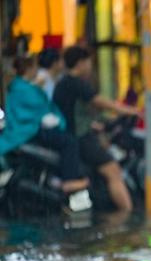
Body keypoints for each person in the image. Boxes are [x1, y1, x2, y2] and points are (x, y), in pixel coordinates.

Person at [53, 45, 138, 211]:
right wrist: (129, 110)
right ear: (81, 63)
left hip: (75, 134)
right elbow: (101, 102)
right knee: (113, 171)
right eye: (88, 62)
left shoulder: (63, 83)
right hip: (81, 137)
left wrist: (97, 124)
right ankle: (125, 214)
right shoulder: (76, 83)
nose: (90, 67)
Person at [0, 55, 88, 193]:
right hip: (30, 129)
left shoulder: (21, 86)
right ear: (29, 68)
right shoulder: (24, 88)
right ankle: (70, 180)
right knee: (69, 141)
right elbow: (36, 110)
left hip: (30, 128)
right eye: (35, 67)